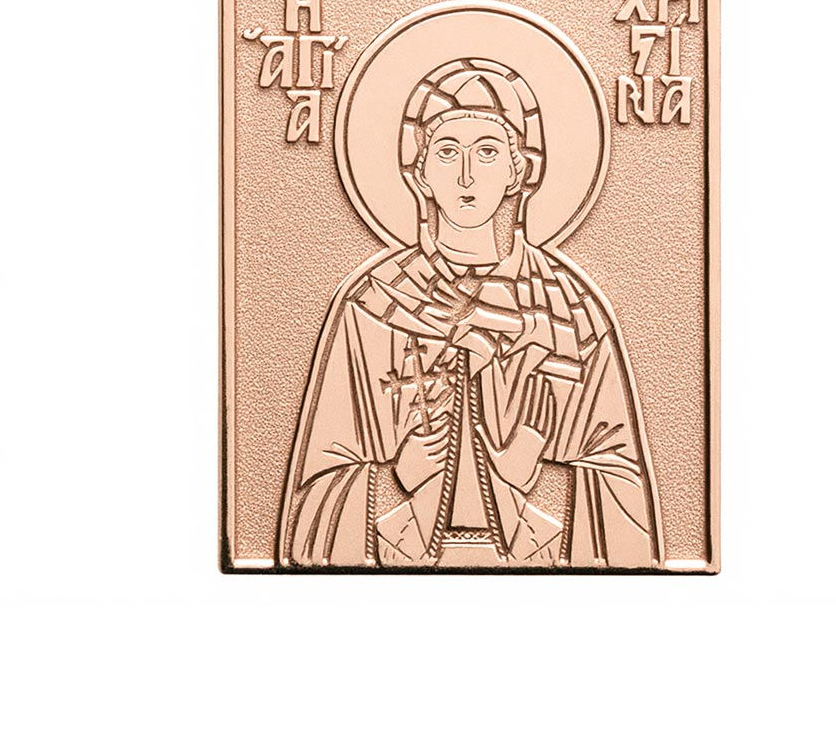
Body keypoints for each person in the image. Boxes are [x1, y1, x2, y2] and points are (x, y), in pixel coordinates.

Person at [279, 59, 659, 567]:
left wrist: (523, 466)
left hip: (542, 557)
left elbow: (619, 483)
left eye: (487, 152)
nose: (466, 175)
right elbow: (321, 483)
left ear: (518, 171)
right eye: (446, 152)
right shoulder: (375, 306)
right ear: (420, 173)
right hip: (393, 558)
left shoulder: (570, 312)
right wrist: (401, 470)